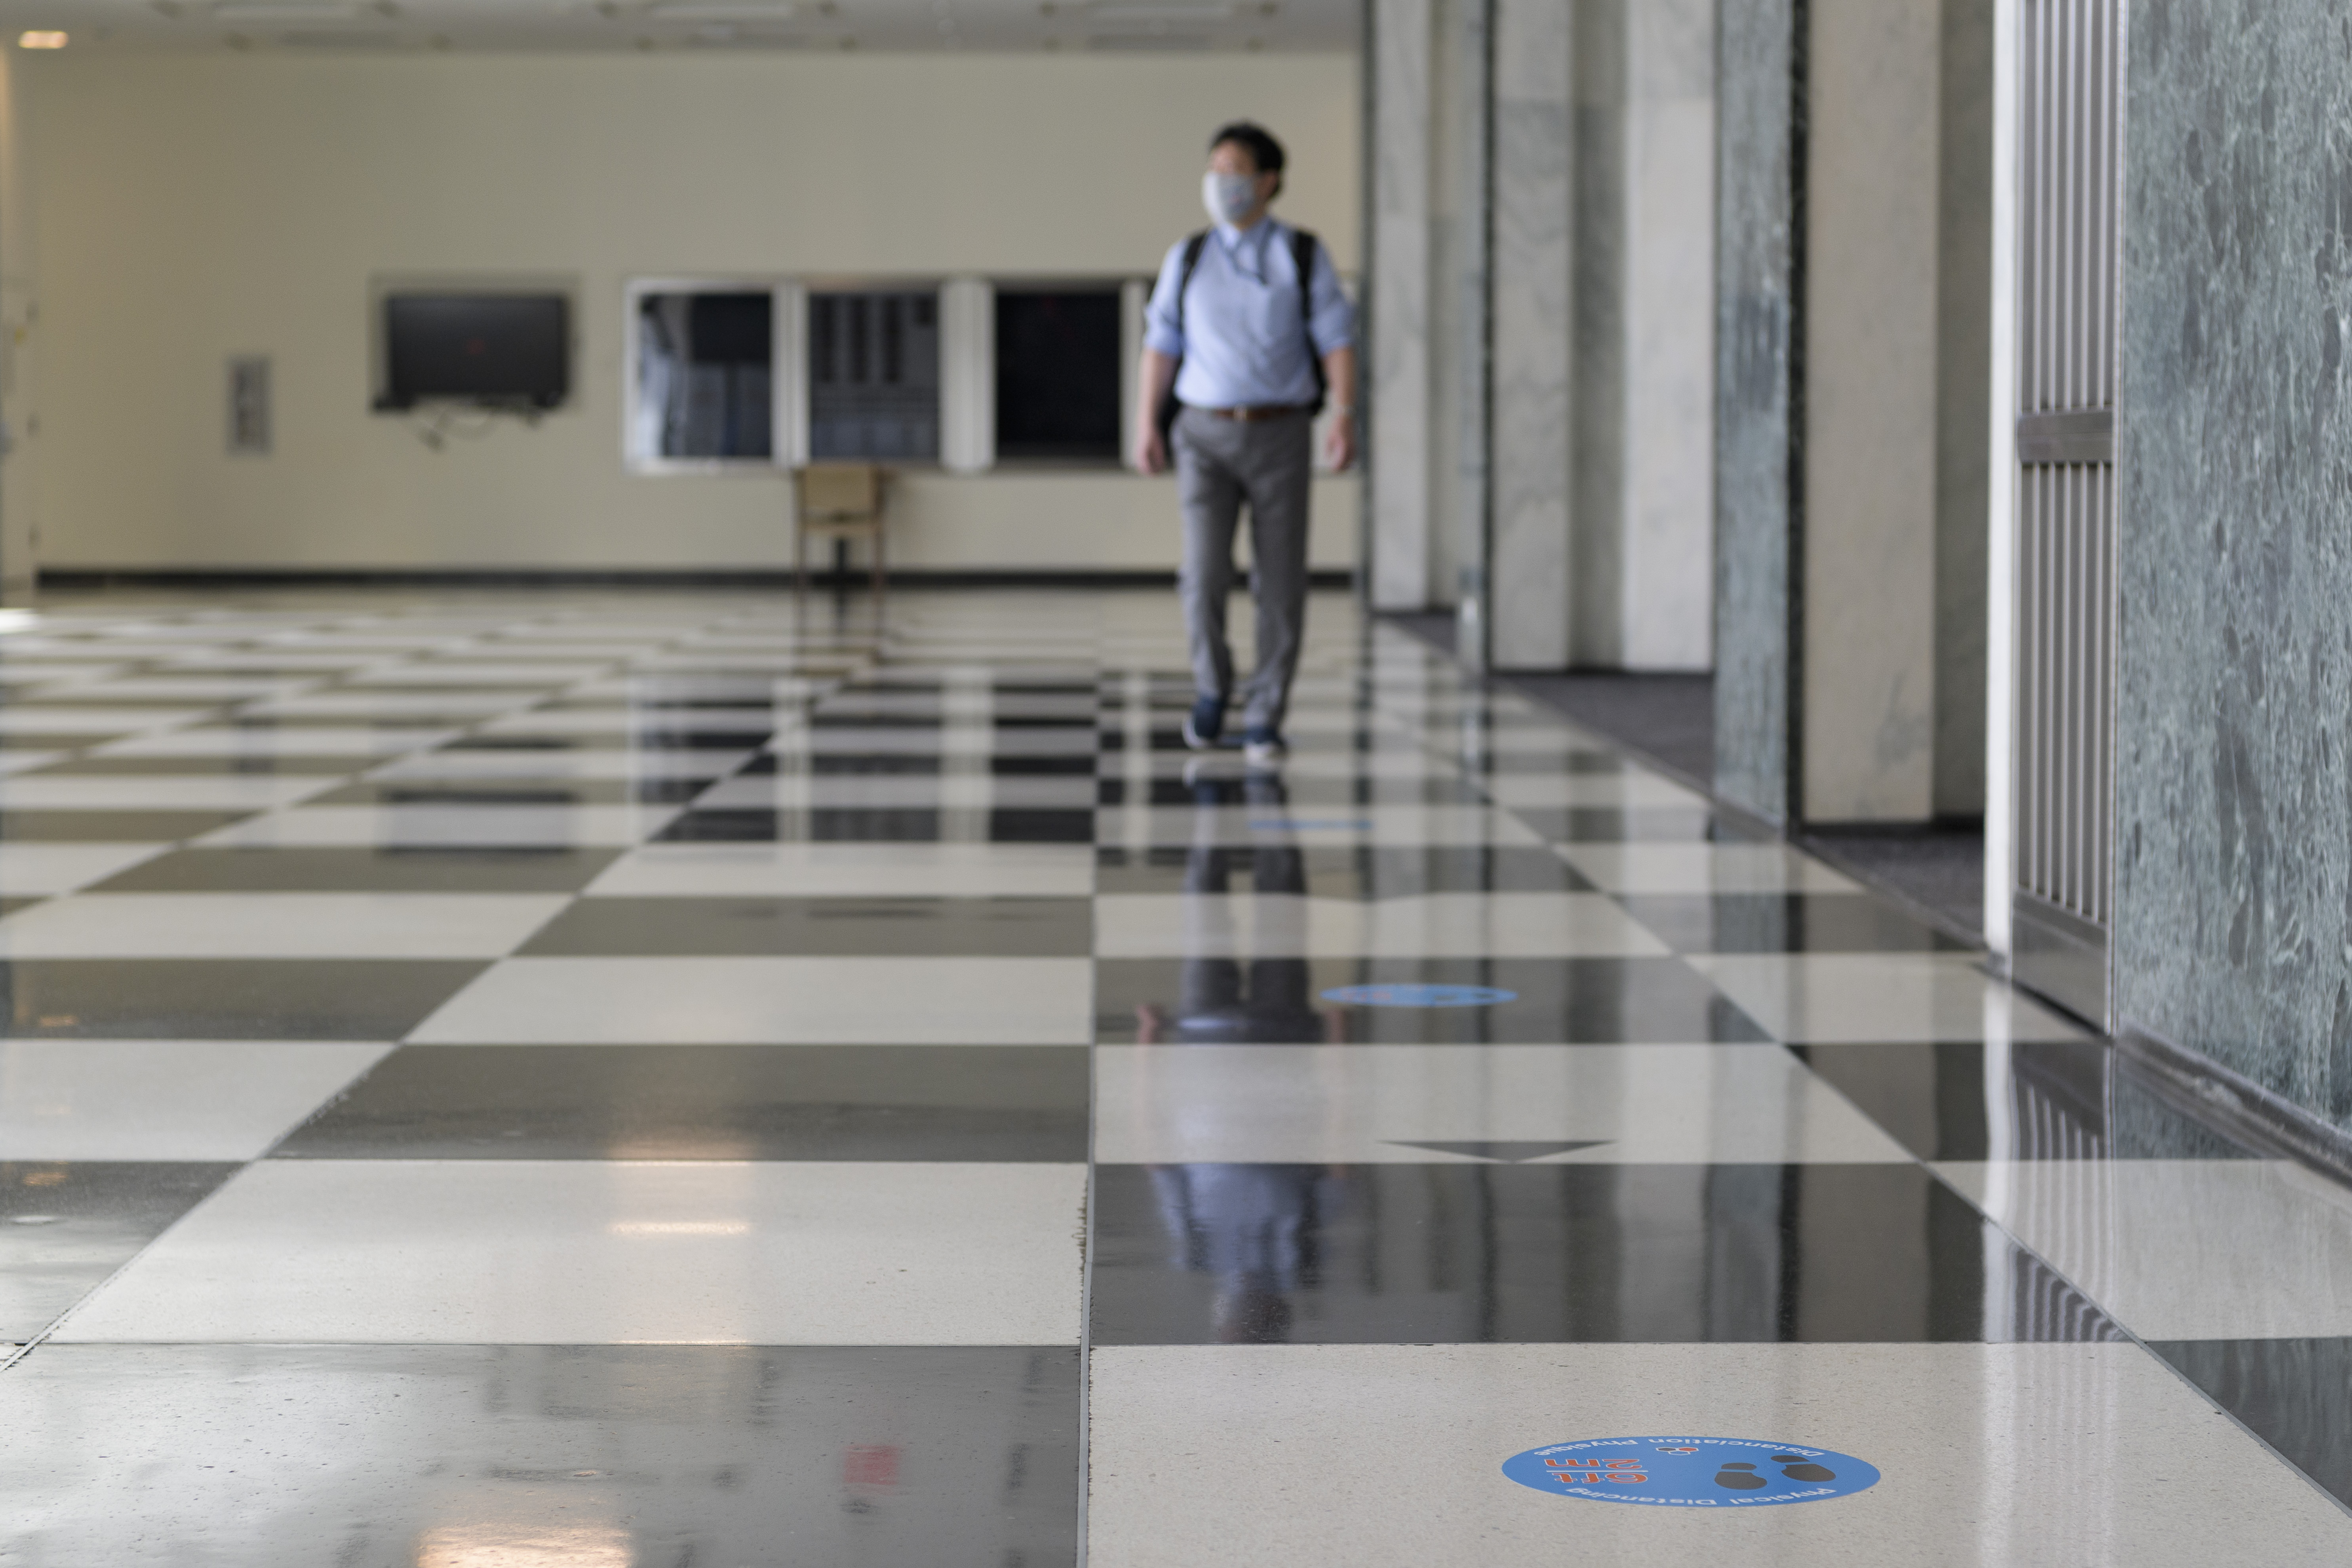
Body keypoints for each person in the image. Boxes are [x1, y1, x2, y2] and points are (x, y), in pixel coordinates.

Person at [1134, 120, 1357, 768]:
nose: (1220, 184)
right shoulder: (1189, 256)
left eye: (1233, 171)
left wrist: (1343, 416)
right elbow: (1162, 344)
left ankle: (1265, 713)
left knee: (1280, 581)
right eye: (1215, 170)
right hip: (1202, 432)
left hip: (1280, 431)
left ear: (1268, 181)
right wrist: (1148, 422)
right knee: (1202, 574)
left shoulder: (1302, 255)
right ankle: (1212, 688)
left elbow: (1337, 341)